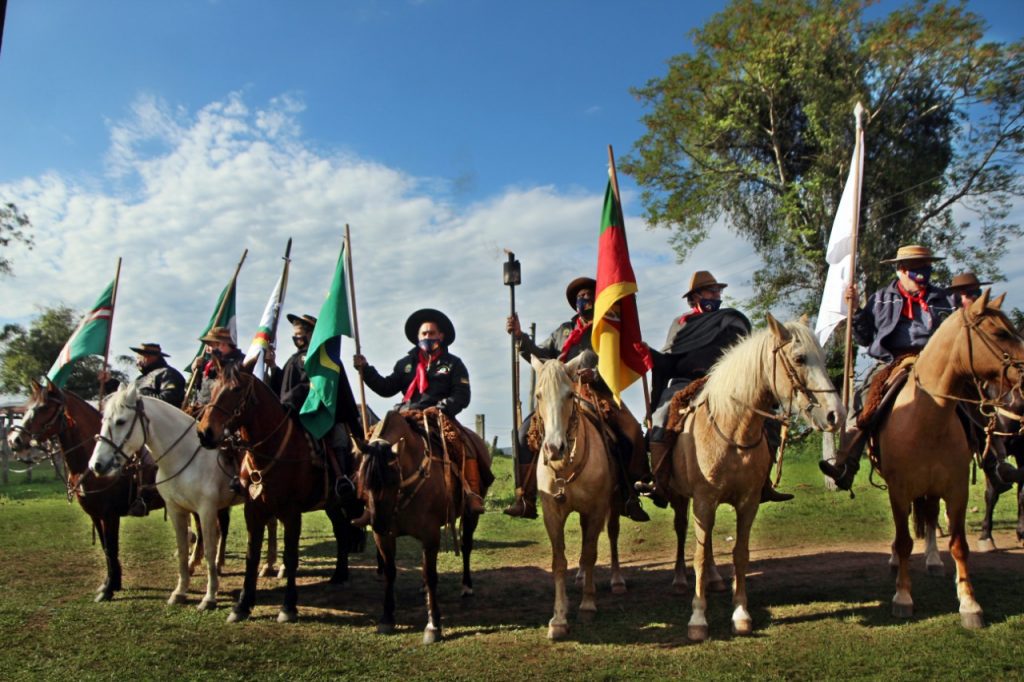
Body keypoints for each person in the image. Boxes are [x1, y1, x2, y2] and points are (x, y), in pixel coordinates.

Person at [505, 277, 652, 522]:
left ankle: (629, 493)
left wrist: (595, 375)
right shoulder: (563, 331)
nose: (586, 300)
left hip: (598, 392)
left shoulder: (609, 329)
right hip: (561, 395)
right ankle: (526, 497)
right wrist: (520, 337)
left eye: (590, 295)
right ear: (575, 304)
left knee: (632, 430)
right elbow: (541, 356)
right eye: (581, 297)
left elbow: (619, 364)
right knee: (522, 435)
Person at [820, 245, 957, 490]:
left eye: (925, 267)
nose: (922, 273)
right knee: (863, 401)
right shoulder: (882, 298)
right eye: (916, 268)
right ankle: (846, 464)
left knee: (971, 396)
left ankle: (993, 458)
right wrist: (856, 311)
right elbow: (864, 338)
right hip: (895, 360)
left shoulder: (944, 299)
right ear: (901, 271)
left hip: (937, 361)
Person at [648, 271, 791, 503]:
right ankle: (661, 480)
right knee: (661, 416)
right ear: (695, 296)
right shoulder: (680, 325)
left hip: (727, 385)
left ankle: (763, 481)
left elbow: (744, 357)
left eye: (718, 292)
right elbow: (669, 362)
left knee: (769, 419)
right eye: (711, 291)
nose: (716, 296)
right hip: (688, 384)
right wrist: (650, 354)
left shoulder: (733, 320)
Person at [353, 308, 484, 513]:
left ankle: (471, 494)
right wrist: (366, 370)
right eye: (423, 334)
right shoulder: (405, 364)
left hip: (437, 416)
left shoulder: (453, 364)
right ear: (417, 337)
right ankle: (364, 495)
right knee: (372, 444)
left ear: (441, 336)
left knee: (464, 445)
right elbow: (386, 387)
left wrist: (440, 408)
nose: (427, 337)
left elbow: (461, 395)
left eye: (432, 333)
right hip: (405, 415)